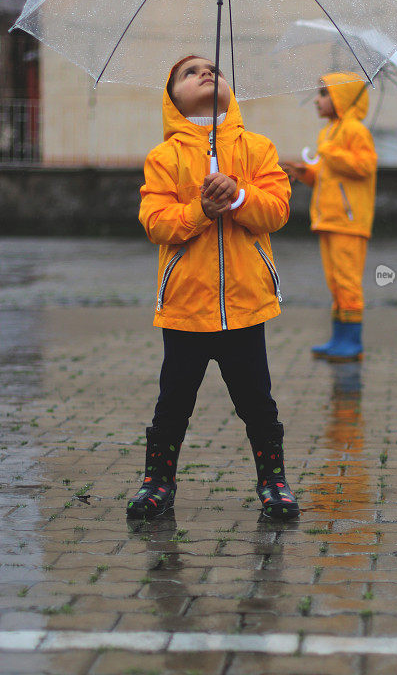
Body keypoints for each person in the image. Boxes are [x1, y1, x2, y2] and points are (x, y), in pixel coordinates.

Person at [127, 55, 299, 521]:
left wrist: (238, 196)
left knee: (257, 403)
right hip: (185, 307)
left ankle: (273, 480)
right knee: (174, 402)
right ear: (173, 99)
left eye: (214, 69)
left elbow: (277, 211)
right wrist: (202, 209)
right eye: (189, 72)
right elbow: (156, 223)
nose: (206, 73)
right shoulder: (163, 158)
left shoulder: (258, 148)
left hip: (244, 307)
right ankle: (157, 481)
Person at [282, 73, 377, 361]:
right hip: (329, 219)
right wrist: (306, 173)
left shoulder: (355, 131)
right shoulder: (329, 132)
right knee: (335, 281)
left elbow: (364, 166)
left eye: (324, 94)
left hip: (348, 222)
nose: (317, 100)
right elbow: (329, 175)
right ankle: (339, 338)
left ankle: (352, 342)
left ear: (342, 98)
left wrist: (331, 152)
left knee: (348, 281)